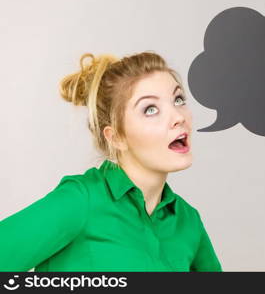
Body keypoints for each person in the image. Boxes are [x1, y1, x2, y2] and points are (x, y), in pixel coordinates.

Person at [0, 51, 222, 272]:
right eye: (151, 109)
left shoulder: (188, 221)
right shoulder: (80, 201)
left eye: (178, 99)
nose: (178, 117)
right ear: (116, 137)